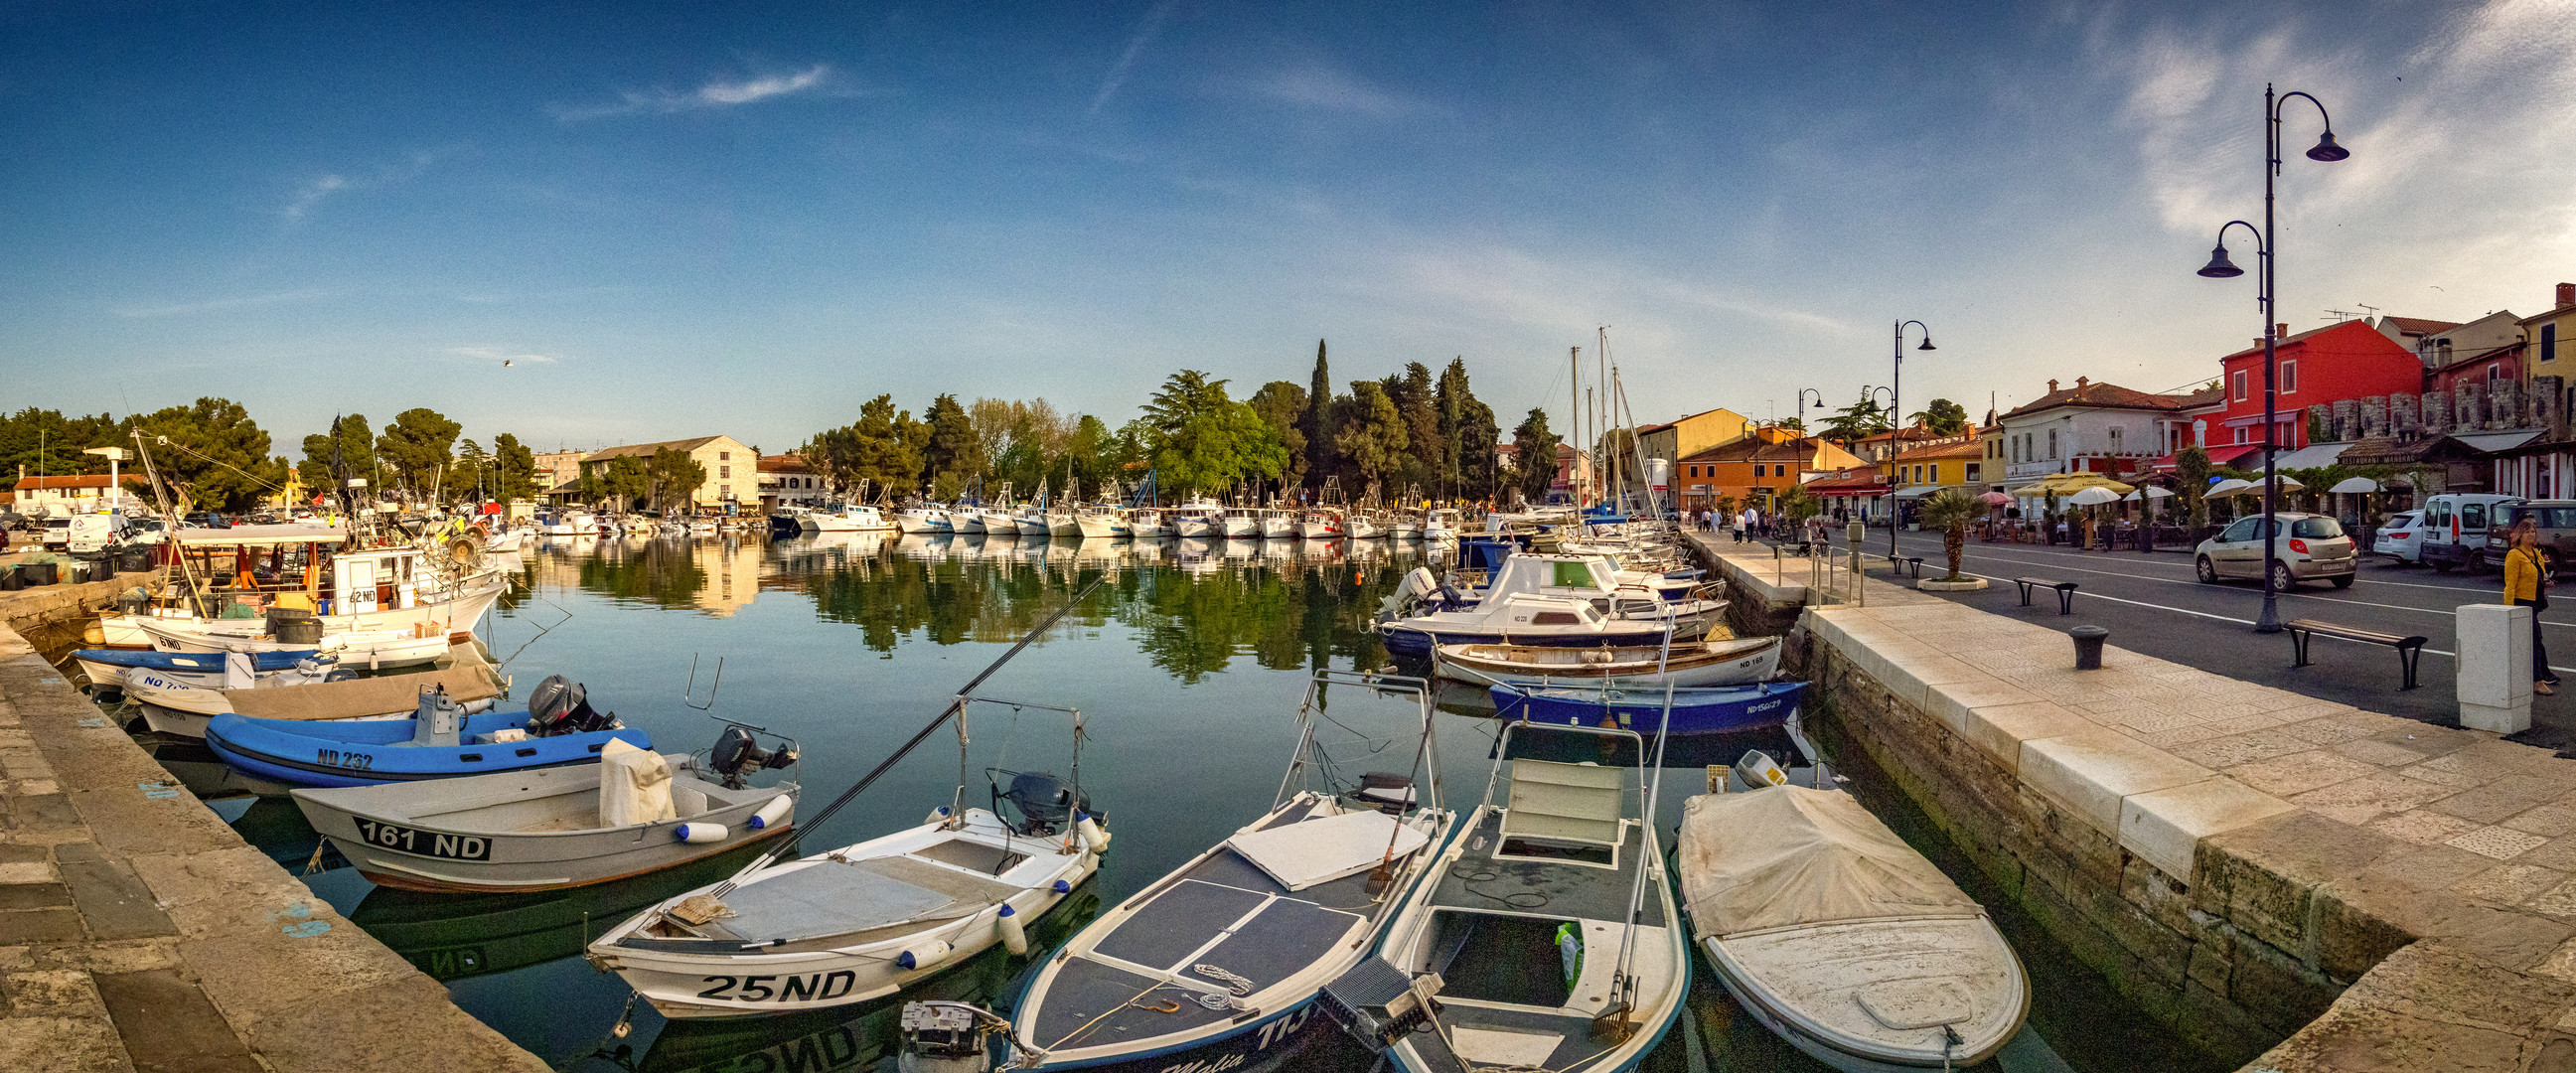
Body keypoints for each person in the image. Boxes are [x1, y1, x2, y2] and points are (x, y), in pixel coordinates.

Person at [2503, 518, 2559, 695]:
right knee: (2535, 642)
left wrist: (2545, 583)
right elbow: (2510, 584)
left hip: (2535, 602)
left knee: (2536, 640)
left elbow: (2537, 577)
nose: (2531, 534)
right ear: (2519, 535)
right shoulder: (2514, 555)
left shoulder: (2535, 553)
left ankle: (2543, 673)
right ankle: (2538, 681)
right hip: (2522, 603)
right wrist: (2508, 609)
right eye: (2527, 531)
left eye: (2533, 531)